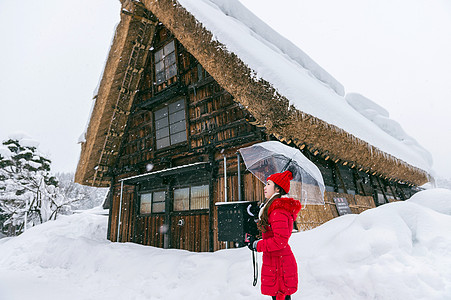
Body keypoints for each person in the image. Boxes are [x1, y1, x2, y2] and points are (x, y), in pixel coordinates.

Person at [245, 170, 301, 300]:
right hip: (276, 262)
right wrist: (258, 238)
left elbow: (279, 241)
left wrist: (257, 245)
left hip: (280, 266)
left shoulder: (278, 211)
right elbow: (274, 235)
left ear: (277, 189)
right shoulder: (273, 208)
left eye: (269, 184)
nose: (265, 187)